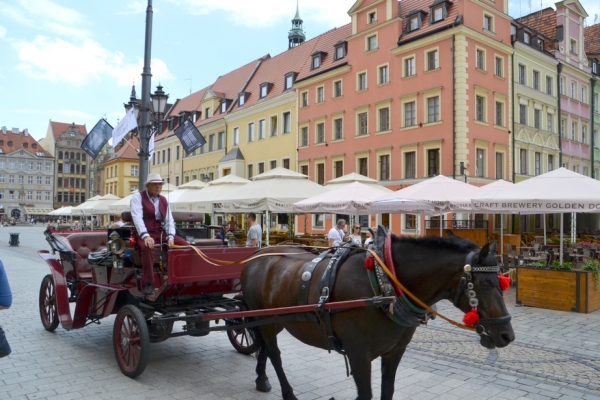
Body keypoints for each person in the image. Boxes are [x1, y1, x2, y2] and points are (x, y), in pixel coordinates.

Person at [131, 173, 188, 295]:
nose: (158, 186)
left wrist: (171, 237)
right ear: (148, 185)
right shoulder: (138, 197)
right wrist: (145, 236)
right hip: (144, 232)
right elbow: (137, 218)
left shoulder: (163, 199)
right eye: (155, 184)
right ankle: (149, 283)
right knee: (147, 247)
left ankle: (179, 275)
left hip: (159, 232)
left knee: (184, 245)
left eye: (160, 184)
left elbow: (169, 220)